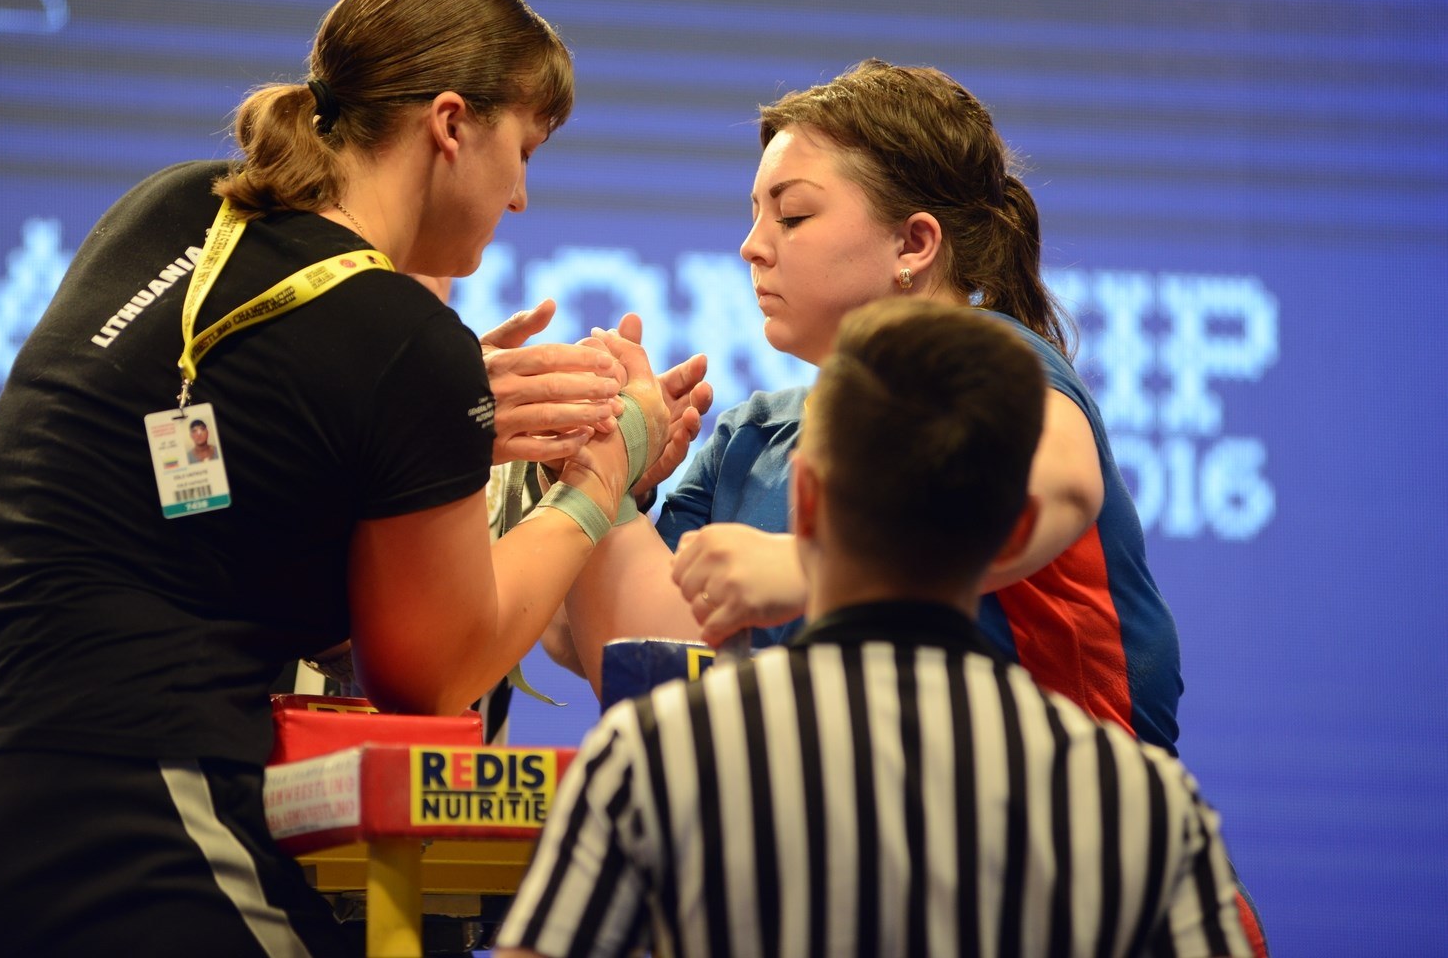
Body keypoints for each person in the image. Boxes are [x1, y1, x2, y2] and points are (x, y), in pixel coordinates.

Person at [0, 0, 670, 957]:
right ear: (451, 125)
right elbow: (435, 672)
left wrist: (438, 429)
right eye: (524, 152)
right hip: (115, 834)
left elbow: (235, 467)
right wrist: (601, 476)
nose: (522, 198)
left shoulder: (173, 207)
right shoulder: (401, 335)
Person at [496, 299, 1255, 958]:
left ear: (806, 502)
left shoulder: (654, 761)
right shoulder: (1138, 805)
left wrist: (597, 471)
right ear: (1018, 529)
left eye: (793, 213)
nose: (756, 245)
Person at [559, 60, 1181, 757]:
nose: (751, 246)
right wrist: (607, 470)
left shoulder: (999, 358)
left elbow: (1054, 489)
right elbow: (646, 654)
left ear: (913, 243)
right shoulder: (748, 441)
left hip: (1056, 813)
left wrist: (813, 570)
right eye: (754, 214)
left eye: (793, 215)